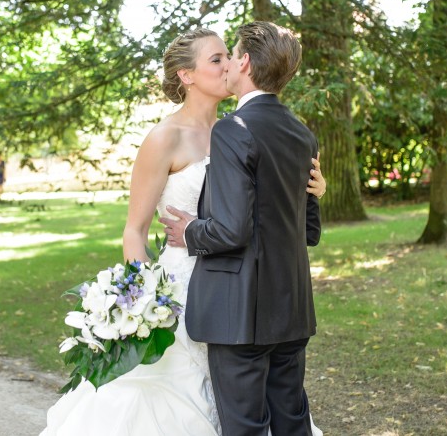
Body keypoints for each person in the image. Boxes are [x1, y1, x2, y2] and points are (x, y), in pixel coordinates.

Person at [41, 28, 325, 435]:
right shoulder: (164, 138)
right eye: (216, 59)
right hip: (182, 292)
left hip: (245, 297)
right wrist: (142, 306)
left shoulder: (243, 129)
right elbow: (134, 232)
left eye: (230, 55)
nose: (228, 64)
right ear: (186, 75)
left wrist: (316, 190)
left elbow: (271, 212)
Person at [161, 21, 321, 436]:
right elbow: (308, 229)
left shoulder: (233, 129)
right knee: (292, 423)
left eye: (231, 54)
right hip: (292, 309)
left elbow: (232, 231)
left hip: (240, 314)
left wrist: (190, 232)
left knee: (245, 427)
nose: (228, 62)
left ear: (245, 62)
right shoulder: (302, 133)